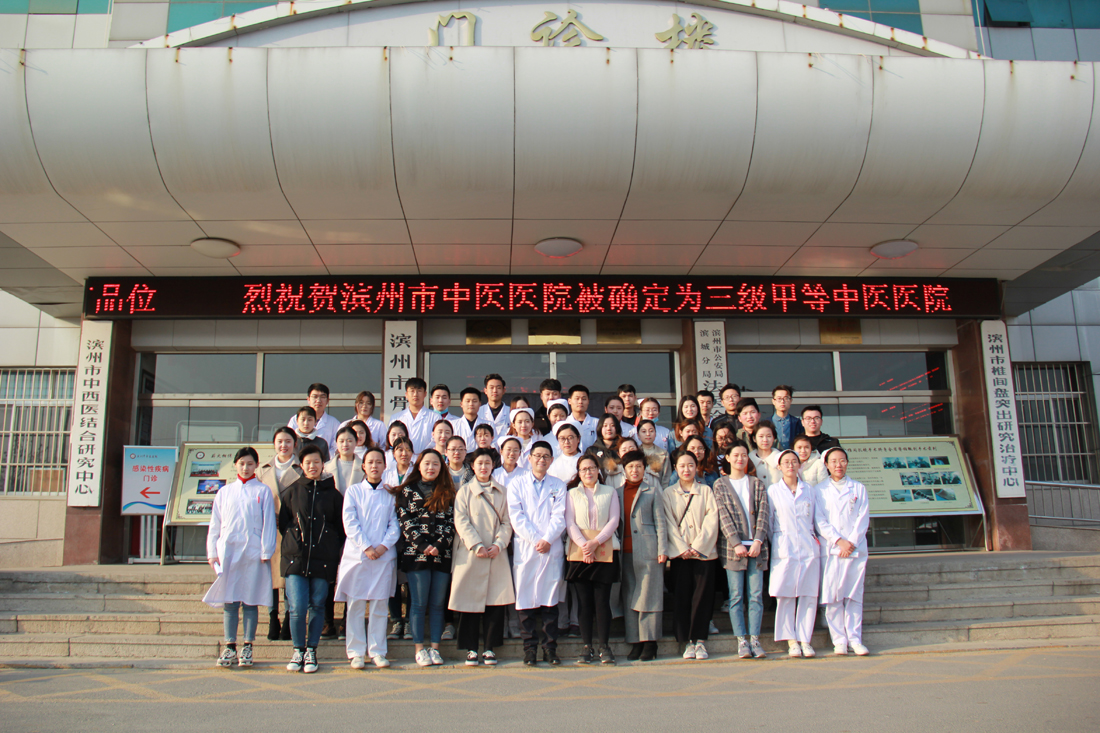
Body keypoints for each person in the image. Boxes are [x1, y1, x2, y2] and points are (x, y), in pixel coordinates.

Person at [204, 446, 276, 669]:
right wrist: (212, 552)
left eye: (250, 464)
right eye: (242, 463)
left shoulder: (262, 491)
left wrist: (266, 550)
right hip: (229, 552)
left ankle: (248, 645)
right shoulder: (224, 492)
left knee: (250, 600)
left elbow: (269, 523)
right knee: (230, 600)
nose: (245, 468)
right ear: (235, 465)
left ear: (256, 466)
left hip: (253, 552)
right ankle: (229, 645)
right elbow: (215, 524)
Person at [279, 443, 345, 674]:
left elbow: (340, 528)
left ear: (323, 464)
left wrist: (329, 546)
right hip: (295, 559)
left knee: (317, 605)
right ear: (301, 465)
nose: (312, 466)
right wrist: (295, 542)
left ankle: (311, 651)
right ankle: (298, 650)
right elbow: (284, 523)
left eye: (317, 461)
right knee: (297, 607)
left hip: (323, 560)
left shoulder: (333, 494)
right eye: (308, 462)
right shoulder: (292, 491)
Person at [335, 447, 399, 669]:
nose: (374, 466)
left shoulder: (390, 494)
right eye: (370, 462)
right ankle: (356, 652)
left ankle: (378, 651)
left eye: (378, 462)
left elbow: (395, 524)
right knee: (356, 604)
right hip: (358, 556)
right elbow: (350, 522)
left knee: (380, 605)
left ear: (384, 466)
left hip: (383, 557)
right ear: (363, 466)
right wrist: (366, 547)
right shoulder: (353, 491)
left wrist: (382, 547)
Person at [449, 448, 515, 666]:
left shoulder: (503, 492)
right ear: (472, 466)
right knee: (469, 603)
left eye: (487, 463)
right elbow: (461, 521)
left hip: (495, 553)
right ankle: (470, 649)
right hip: (471, 554)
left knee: (495, 603)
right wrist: (476, 544)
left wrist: (499, 544)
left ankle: (489, 648)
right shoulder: (464, 492)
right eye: (479, 463)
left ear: (493, 465)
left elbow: (507, 522)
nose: (484, 467)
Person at [391, 449, 456, 666]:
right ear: (418, 466)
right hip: (415, 555)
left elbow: (451, 522)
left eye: (435, 464)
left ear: (441, 467)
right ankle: (419, 648)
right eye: (426, 463)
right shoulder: (407, 491)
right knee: (418, 604)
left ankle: (435, 648)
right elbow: (405, 521)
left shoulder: (448, 491)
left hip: (441, 555)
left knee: (437, 604)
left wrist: (438, 545)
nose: (431, 467)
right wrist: (422, 545)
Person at [507, 441, 567, 666]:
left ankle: (550, 649)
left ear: (551, 460)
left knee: (550, 601)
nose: (541, 460)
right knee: (526, 601)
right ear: (529, 458)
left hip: (551, 548)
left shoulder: (558, 485)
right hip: (527, 548)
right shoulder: (516, 484)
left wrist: (547, 539)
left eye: (546, 456)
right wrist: (536, 540)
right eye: (537, 456)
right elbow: (516, 516)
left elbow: (560, 516)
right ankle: (529, 649)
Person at [712, 440, 770, 660]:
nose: (740, 459)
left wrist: (758, 540)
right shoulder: (720, 484)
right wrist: (736, 542)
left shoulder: (756, 483)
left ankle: (755, 639)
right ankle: (741, 641)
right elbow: (723, 515)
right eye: (735, 455)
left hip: (757, 548)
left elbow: (763, 513)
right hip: (732, 549)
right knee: (736, 596)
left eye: (744, 455)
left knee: (755, 596)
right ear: (727, 458)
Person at [663, 450, 719, 661]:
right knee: (682, 597)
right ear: (675, 468)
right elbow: (668, 523)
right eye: (682, 465)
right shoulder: (668, 493)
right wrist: (681, 548)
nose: (686, 469)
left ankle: (700, 640)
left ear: (697, 467)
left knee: (703, 597)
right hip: (681, 555)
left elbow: (712, 519)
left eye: (690, 465)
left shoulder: (706, 491)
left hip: (704, 554)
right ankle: (686, 641)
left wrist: (698, 546)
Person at [564, 454, 620, 665]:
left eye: (591, 468)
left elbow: (614, 520)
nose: (588, 472)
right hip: (580, 553)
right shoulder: (571, 494)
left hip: (604, 550)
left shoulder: (609, 492)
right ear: (578, 473)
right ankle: (587, 645)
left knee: (602, 601)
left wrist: (595, 542)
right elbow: (569, 522)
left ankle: (604, 646)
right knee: (584, 602)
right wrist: (584, 545)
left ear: (598, 470)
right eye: (583, 469)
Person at [814, 447, 871, 657]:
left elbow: (863, 518)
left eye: (842, 460)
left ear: (847, 463)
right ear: (826, 464)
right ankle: (839, 641)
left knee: (854, 595)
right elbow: (819, 520)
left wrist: (851, 543)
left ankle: (855, 639)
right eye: (834, 461)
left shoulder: (859, 488)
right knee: (833, 597)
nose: (838, 465)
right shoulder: (818, 490)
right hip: (832, 550)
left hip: (855, 550)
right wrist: (839, 541)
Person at [768, 448, 820, 659]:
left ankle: (805, 640)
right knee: (786, 595)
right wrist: (779, 541)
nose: (790, 465)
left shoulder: (810, 490)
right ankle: (791, 641)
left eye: (794, 461)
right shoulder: (773, 491)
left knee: (808, 595)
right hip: (784, 548)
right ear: (779, 467)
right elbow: (769, 523)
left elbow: (815, 518)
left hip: (808, 548)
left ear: (800, 465)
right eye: (786, 462)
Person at [615, 450, 667, 662]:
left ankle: (650, 642)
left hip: (649, 550)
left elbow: (661, 523)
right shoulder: (617, 493)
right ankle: (635, 640)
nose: (634, 470)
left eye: (638, 466)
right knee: (630, 596)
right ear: (624, 470)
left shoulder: (652, 491)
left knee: (649, 596)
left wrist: (662, 550)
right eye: (630, 467)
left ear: (644, 469)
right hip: (625, 552)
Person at [256, 426, 301, 641]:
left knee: (290, 577)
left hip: (294, 530)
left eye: (288, 441)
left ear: (295, 444)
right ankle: (273, 617)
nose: (284, 445)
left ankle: (289, 618)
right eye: (280, 441)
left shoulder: (302, 468)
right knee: (271, 578)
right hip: (269, 530)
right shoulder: (262, 470)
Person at [381, 434, 415, 642]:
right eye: (399, 450)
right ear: (393, 453)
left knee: (410, 578)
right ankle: (396, 619)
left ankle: (409, 620)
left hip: (412, 531)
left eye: (408, 450)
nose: (404, 453)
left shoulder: (417, 473)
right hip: (389, 530)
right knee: (391, 577)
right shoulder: (385, 474)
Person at [286, 383, 339, 455]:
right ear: (308, 399)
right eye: (315, 396)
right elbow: (288, 441)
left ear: (327, 401)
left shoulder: (334, 423)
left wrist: (320, 457)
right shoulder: (295, 419)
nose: (318, 400)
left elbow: (335, 448)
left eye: (322, 397)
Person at [392, 378, 435, 453]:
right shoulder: (396, 418)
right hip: (403, 457)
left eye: (419, 391)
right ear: (406, 394)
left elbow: (436, 440)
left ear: (425, 394)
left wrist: (424, 455)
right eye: (412, 391)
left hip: (426, 457)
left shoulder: (435, 417)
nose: (415, 394)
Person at [326, 426, 365, 496]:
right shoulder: (326, 467)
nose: (345, 444)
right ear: (336, 443)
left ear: (356, 442)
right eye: (341, 441)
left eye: (349, 441)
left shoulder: (364, 467)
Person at [453, 387, 491, 451]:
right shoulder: (453, 425)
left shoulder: (489, 424)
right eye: (468, 401)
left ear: (480, 404)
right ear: (461, 404)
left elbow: (493, 445)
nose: (471, 404)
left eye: (474, 401)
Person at [564, 384, 599, 451]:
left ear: (588, 401)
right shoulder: (564, 423)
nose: (580, 402)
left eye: (584, 399)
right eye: (577, 399)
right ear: (569, 401)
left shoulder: (596, 423)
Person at [769, 385, 804, 451]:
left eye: (786, 398)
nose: (782, 401)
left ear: (791, 401)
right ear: (773, 401)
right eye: (779, 398)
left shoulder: (797, 423)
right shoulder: (766, 423)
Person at [637, 419, 671, 486]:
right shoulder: (634, 453)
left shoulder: (664, 453)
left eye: (651, 431)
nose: (648, 434)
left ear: (655, 433)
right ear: (638, 435)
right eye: (644, 431)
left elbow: (666, 478)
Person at [478, 373, 511, 439]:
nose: (495, 391)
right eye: (491, 388)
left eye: (498, 388)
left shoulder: (510, 412)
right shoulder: (478, 412)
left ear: (504, 391)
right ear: (485, 391)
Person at [749, 421, 781, 486]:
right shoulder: (748, 460)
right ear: (754, 438)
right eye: (761, 436)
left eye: (769, 436)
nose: (765, 440)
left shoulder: (781, 460)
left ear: (773, 438)